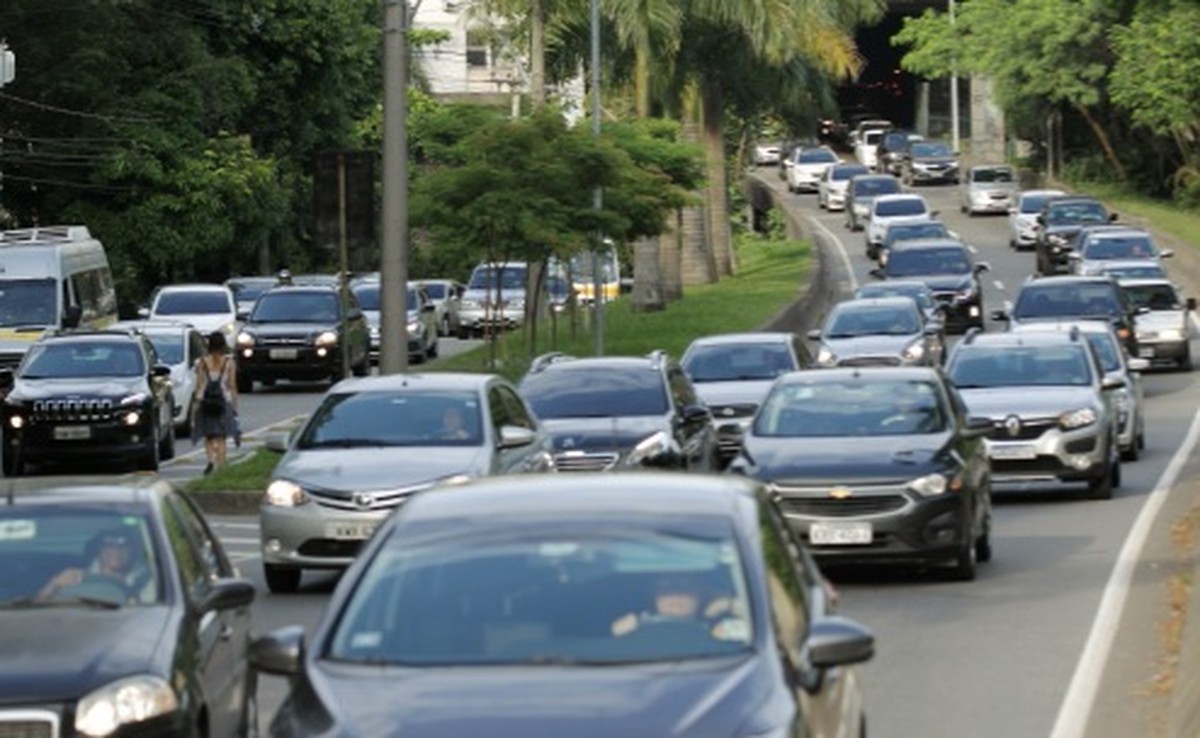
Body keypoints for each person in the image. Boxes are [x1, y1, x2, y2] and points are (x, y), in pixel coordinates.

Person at [610, 572, 747, 642]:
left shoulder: (721, 627)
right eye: (666, 588)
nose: (675, 593)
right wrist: (620, 638)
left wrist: (727, 605)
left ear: (700, 591)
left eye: (685, 586)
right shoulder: (634, 627)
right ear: (653, 595)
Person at [37, 528, 154, 604]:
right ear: (99, 550)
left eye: (122, 547)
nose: (115, 552)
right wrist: (54, 584)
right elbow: (37, 606)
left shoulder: (146, 579)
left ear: (133, 551)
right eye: (109, 546)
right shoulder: (77, 575)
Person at [193, 330, 239, 474]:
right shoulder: (229, 362)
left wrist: (196, 403)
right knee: (221, 437)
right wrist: (235, 405)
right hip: (223, 401)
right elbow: (231, 385)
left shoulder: (202, 362)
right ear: (223, 345)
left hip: (206, 402)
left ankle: (211, 460)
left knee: (209, 436)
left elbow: (199, 384)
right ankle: (221, 466)